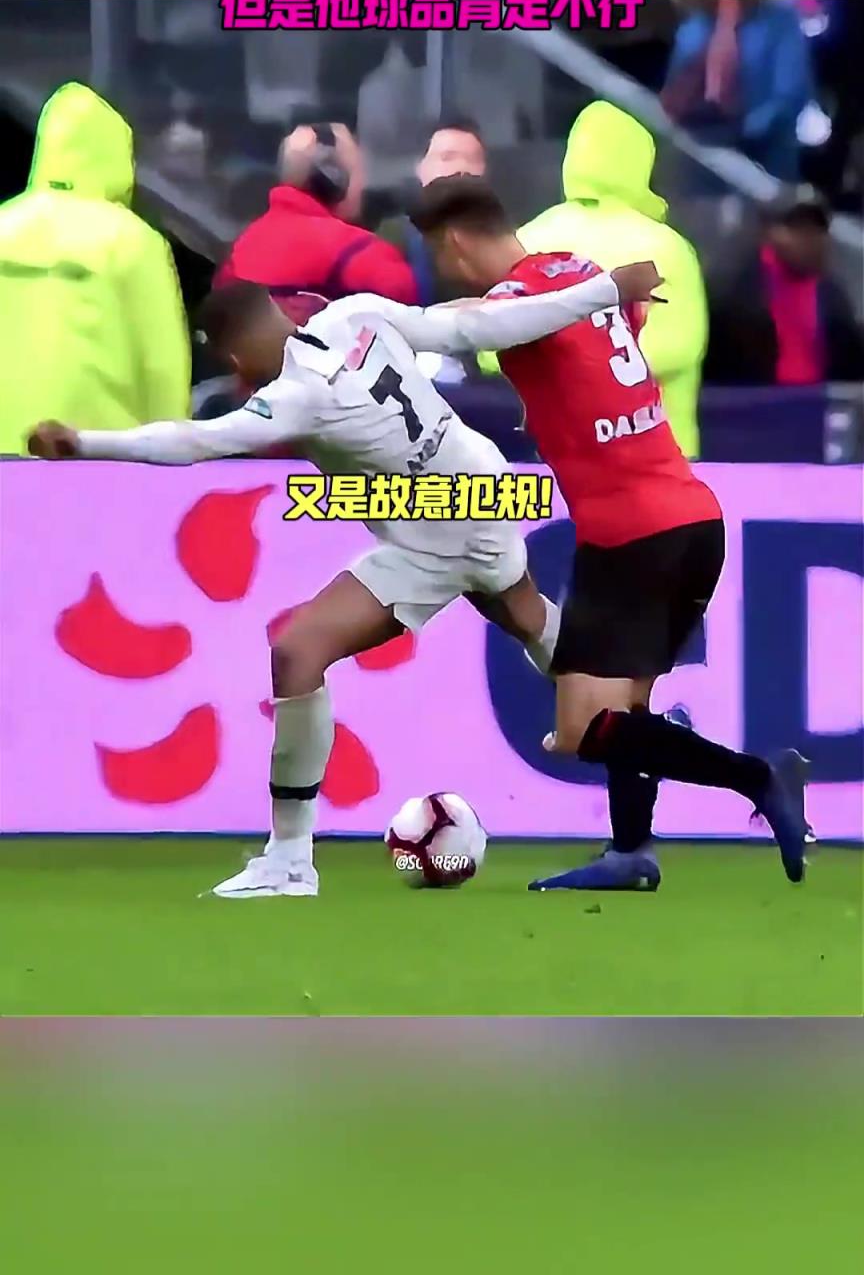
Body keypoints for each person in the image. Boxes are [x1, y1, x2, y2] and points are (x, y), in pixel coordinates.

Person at [29, 261, 661, 898]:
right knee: (526, 619)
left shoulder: (294, 396)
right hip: (476, 489)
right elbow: (478, 327)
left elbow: (195, 441)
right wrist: (602, 290)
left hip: (442, 526)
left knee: (302, 653)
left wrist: (85, 443)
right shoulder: (355, 312)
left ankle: (289, 861)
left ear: (233, 357)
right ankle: (648, 736)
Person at [410, 175, 809, 891]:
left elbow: (469, 327)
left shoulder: (518, 302)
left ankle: (757, 777)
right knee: (629, 708)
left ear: (457, 242)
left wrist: (380, 327)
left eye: (439, 254)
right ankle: (630, 851)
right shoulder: (578, 270)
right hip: (692, 518)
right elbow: (615, 335)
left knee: (582, 731)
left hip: (630, 537)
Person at [0, 81, 189, 455]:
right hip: (98, 453)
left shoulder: (4, 223)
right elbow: (162, 364)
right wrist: (175, 448)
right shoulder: (134, 241)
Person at [517, 101, 708, 460]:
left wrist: (562, 365)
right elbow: (677, 346)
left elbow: (492, 349)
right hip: (659, 456)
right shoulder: (668, 247)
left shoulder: (528, 241)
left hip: (559, 455)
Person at [217, 122, 418, 310]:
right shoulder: (355, 250)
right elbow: (409, 306)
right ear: (334, 181)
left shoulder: (241, 248)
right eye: (358, 171)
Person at [704, 196, 864, 386]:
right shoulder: (735, 293)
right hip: (756, 401)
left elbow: (851, 366)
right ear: (768, 233)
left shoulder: (832, 296)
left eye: (817, 230)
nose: (811, 240)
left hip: (818, 400)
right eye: (799, 229)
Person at [661, 0, 812, 182]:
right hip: (691, 154)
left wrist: (736, 132)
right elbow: (672, 89)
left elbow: (789, 99)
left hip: (760, 165)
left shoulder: (782, 22)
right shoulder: (695, 24)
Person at [377, 115, 487, 306]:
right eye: (447, 157)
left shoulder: (502, 239)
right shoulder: (394, 238)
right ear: (420, 168)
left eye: (473, 159)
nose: (462, 168)